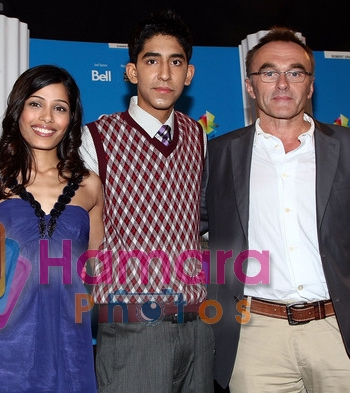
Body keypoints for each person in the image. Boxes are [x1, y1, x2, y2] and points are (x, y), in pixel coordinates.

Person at [202, 26, 350, 392]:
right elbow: (192, 230)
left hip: (343, 336)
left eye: (294, 72)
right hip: (254, 341)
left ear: (310, 86)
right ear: (250, 85)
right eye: (268, 72)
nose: (281, 84)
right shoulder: (219, 154)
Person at [0, 64, 104, 393]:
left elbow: (94, 271)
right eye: (35, 103)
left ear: (71, 120)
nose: (46, 117)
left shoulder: (91, 186)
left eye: (59, 108)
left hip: (66, 352)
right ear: (18, 110)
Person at [80, 9, 214, 393]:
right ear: (132, 72)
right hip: (131, 327)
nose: (164, 74)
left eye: (176, 62)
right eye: (151, 60)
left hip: (198, 327)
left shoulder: (199, 136)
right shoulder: (96, 138)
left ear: (188, 74)